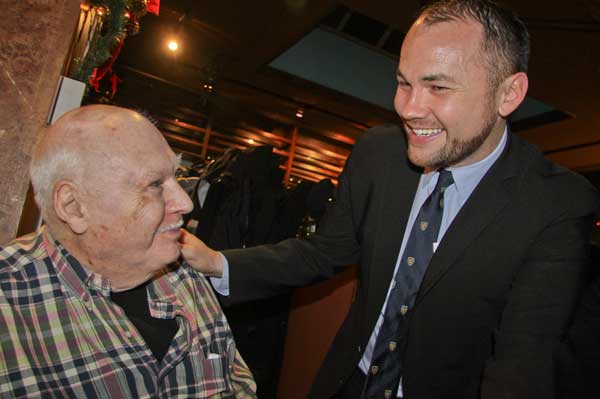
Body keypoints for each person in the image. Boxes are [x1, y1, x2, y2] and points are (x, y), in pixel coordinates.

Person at [181, 1, 600, 398]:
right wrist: (217, 262)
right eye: (404, 83)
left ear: (508, 94)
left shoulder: (557, 203)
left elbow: (523, 363)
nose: (409, 108)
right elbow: (324, 253)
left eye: (437, 87)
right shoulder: (377, 153)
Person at [0, 105, 256, 398]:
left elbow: (237, 383)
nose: (185, 203)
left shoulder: (182, 268)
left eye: (176, 176)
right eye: (155, 184)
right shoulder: (9, 305)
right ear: (74, 206)